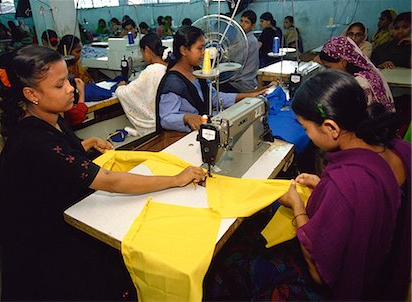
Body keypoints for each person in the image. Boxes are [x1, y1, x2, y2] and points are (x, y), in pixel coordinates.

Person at [0, 45, 206, 300]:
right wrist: (176, 179)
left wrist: (85, 144)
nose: (71, 89)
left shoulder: (50, 119)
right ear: (31, 94)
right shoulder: (34, 140)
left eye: (68, 81)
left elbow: (58, 157)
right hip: (43, 245)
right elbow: (109, 180)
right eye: (60, 85)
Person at [207, 69, 410, 301]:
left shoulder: (345, 182)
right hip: (385, 274)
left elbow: (319, 273)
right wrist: (324, 186)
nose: (306, 133)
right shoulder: (401, 150)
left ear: (331, 128)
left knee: (227, 264)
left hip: (341, 290)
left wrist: (297, 206)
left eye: (305, 128)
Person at [156, 26, 266, 132]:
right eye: (200, 48)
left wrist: (246, 96)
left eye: (204, 47)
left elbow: (213, 97)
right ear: (184, 50)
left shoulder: (197, 72)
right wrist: (186, 117)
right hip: (184, 136)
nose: (204, 52)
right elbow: (166, 118)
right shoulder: (173, 83)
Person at [318, 36, 395, 112]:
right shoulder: (368, 73)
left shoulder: (359, 83)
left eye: (328, 67)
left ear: (343, 62)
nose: (327, 71)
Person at [115, 33, 170, 136]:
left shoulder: (151, 71)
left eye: (142, 53)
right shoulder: (167, 66)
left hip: (156, 125)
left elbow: (128, 93)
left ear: (147, 50)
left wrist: (121, 87)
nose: (143, 57)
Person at [220, 10, 259, 93]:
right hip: (244, 81)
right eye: (241, 21)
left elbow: (228, 54)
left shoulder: (248, 41)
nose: (242, 24)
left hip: (242, 84)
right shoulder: (245, 39)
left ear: (253, 26)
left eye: (246, 22)